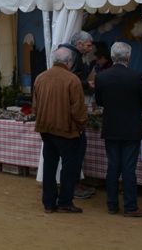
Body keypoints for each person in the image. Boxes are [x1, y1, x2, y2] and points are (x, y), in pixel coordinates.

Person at [94, 42, 142, 217]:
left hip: (111, 126)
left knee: (113, 167)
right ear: (128, 57)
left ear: (112, 57)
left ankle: (112, 205)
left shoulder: (102, 77)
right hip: (131, 128)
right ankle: (130, 206)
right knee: (128, 169)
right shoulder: (135, 76)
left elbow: (100, 101)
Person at [33, 47, 88, 214]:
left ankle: (49, 203)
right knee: (69, 168)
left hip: (46, 129)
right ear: (69, 62)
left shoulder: (40, 78)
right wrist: (81, 126)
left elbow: (35, 107)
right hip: (67, 131)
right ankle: (65, 201)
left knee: (49, 166)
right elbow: (78, 110)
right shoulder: (72, 79)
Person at [58, 30, 95, 199]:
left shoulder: (71, 55)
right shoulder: (73, 56)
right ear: (79, 44)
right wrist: (87, 84)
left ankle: (74, 183)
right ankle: (72, 185)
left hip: (68, 112)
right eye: (88, 45)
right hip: (71, 113)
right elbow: (71, 81)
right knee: (76, 150)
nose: (89, 49)